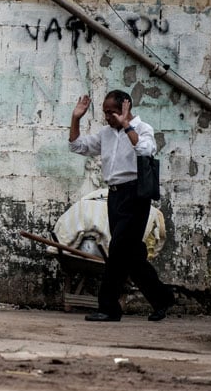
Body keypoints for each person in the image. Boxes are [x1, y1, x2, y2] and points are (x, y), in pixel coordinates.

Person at [68, 91, 175, 322]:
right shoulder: (106, 134)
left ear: (125, 108)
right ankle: (163, 297)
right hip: (115, 196)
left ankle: (109, 308)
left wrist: (127, 125)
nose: (107, 117)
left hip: (136, 195)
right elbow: (77, 146)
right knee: (131, 255)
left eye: (111, 112)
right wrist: (76, 118)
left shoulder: (142, 128)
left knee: (117, 250)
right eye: (105, 112)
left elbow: (146, 150)